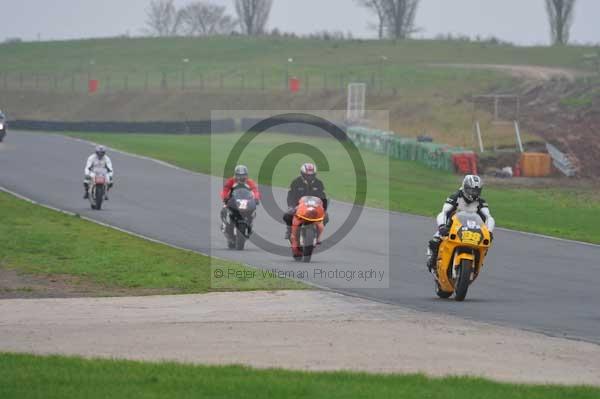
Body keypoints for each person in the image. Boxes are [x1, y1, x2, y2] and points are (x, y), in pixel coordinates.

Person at [426, 175, 495, 273]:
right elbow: (444, 212)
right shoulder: (455, 197)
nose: (474, 193)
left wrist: (489, 232)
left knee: (485, 246)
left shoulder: (481, 202)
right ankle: (432, 259)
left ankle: (477, 264)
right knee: (435, 241)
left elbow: (489, 217)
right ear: (465, 188)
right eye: (471, 190)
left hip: (473, 230)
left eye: (476, 191)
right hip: (452, 227)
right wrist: (442, 226)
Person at [283, 163, 328, 239]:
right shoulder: (296, 182)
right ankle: (289, 230)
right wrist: (291, 206)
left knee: (326, 217)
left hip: (314, 206)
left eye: (311, 175)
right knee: (287, 215)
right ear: (302, 174)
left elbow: (323, 196)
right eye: (307, 175)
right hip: (299, 206)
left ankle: (317, 233)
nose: (309, 177)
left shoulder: (319, 183)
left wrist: (323, 208)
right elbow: (291, 195)